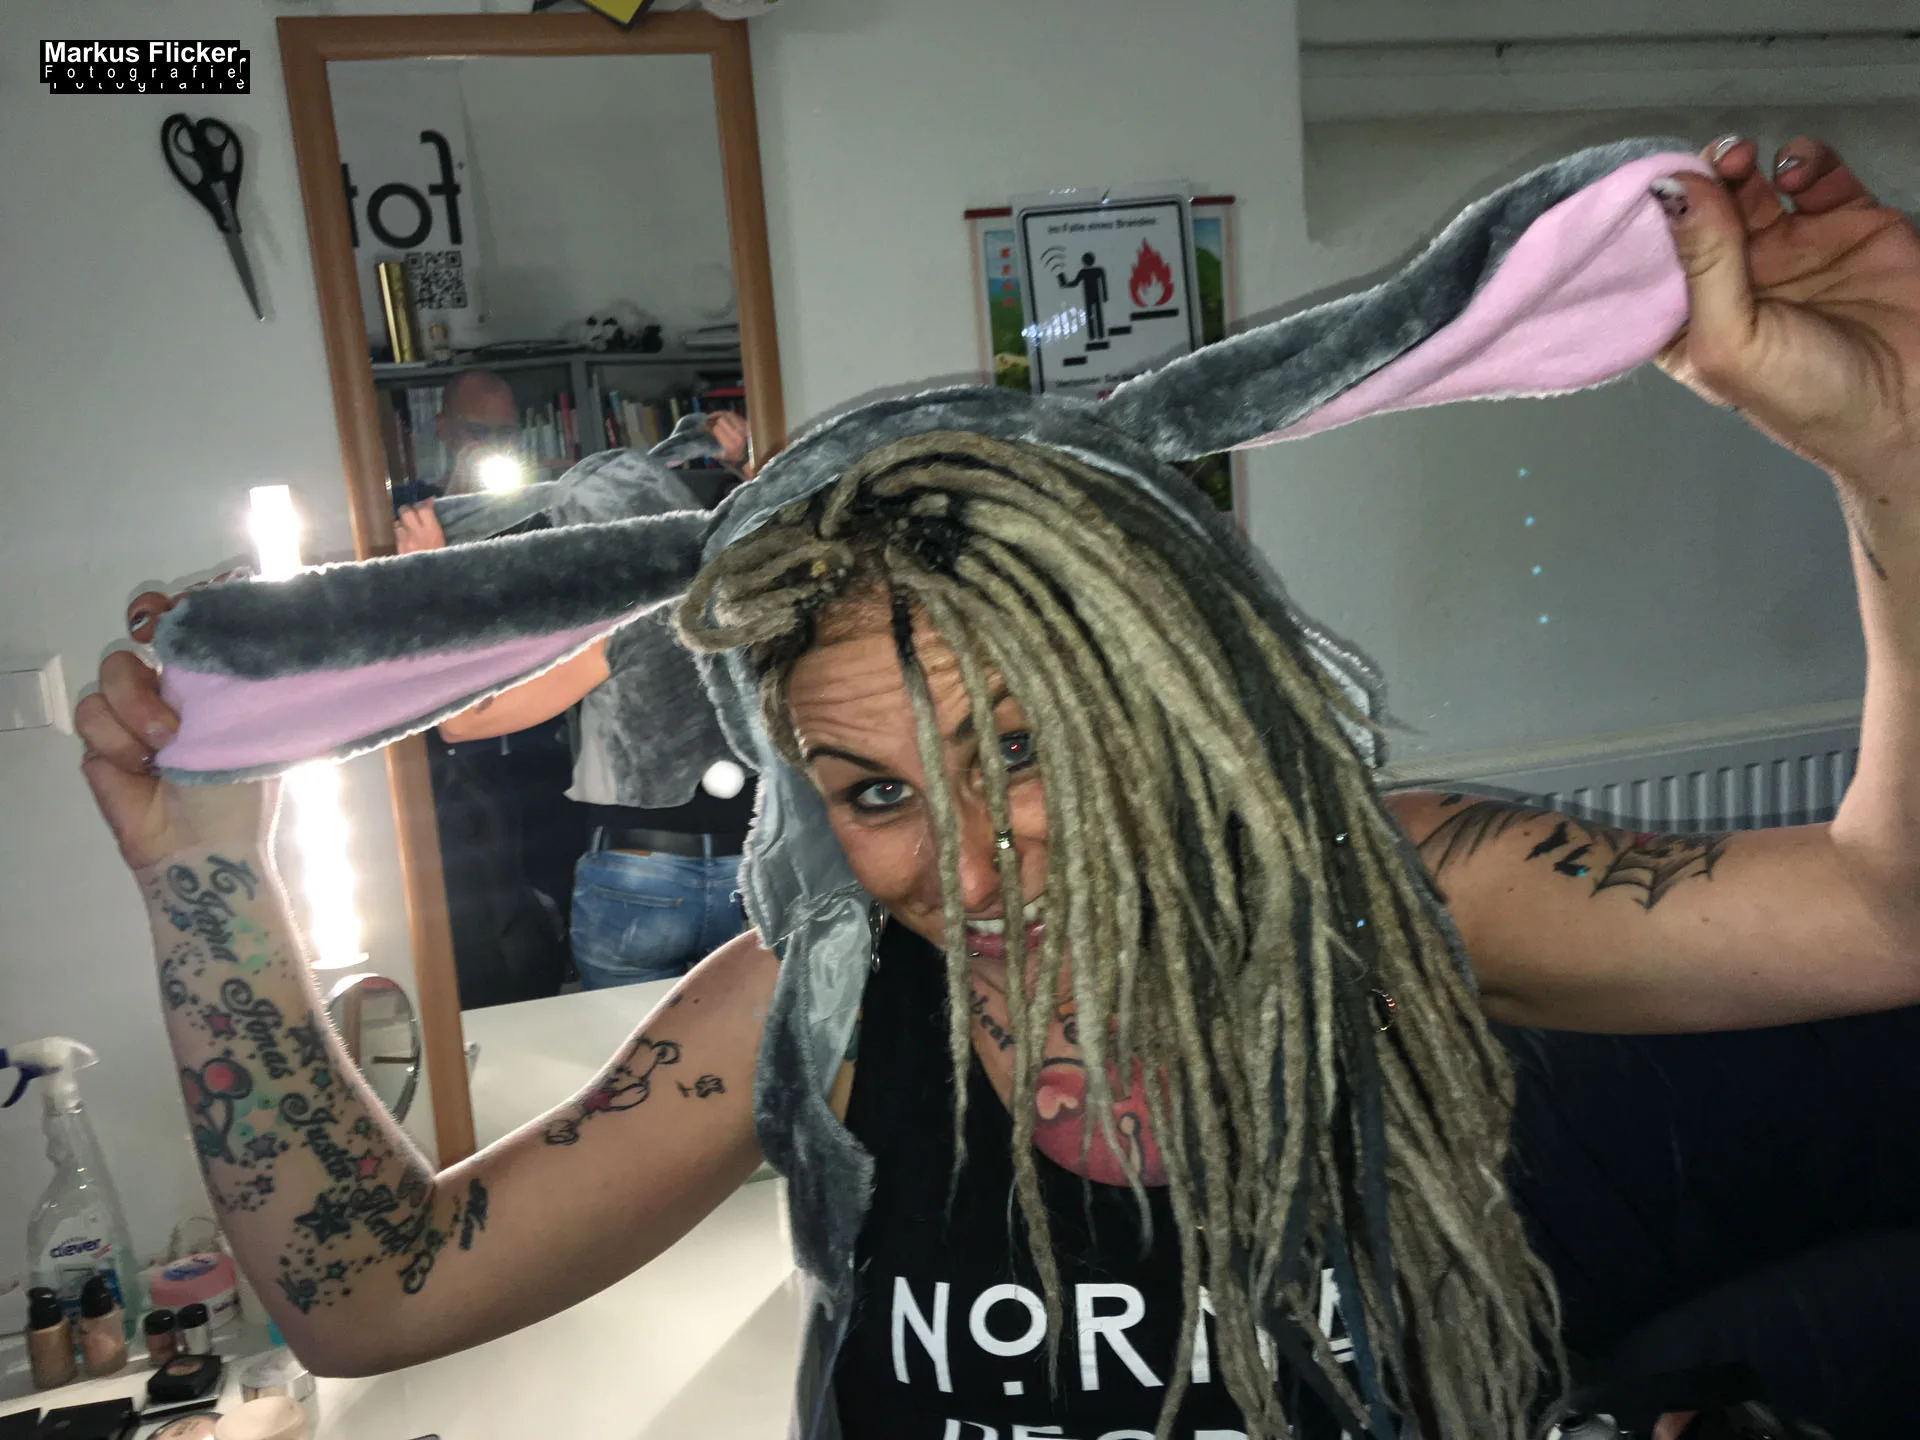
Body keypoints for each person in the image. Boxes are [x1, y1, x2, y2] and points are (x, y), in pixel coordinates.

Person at [75, 138, 1920, 1438]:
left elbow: (1881, 915)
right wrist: (204, 879)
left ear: (1171, 688)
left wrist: (1886, 447)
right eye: (874, 792)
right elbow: (375, 1290)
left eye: (1020, 751)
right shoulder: (818, 1002)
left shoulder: (1384, 889)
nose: (964, 870)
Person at [407, 408, 759, 989]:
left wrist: (430, 573)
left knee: (631, 1051)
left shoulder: (618, 627)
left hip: (639, 877)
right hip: (753, 870)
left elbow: (464, 722)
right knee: (753, 1044)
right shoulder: (751, 599)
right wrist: (750, 468)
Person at [390, 368, 520, 507]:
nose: (493, 444)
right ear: (443, 428)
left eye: (505, 433)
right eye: (478, 431)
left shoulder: (527, 496)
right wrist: (454, 500)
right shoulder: (402, 505)